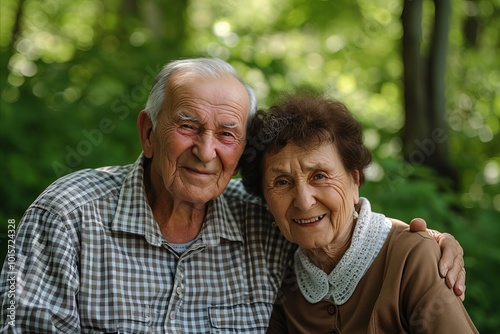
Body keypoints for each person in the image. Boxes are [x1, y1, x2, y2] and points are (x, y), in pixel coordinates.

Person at [0, 58, 465, 333]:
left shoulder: (263, 224)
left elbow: (340, 234)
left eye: (227, 133)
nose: (206, 151)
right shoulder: (66, 216)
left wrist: (424, 246)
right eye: (187, 126)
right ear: (147, 133)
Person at [239, 92, 477, 333]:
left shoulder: (411, 257)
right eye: (282, 182)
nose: (303, 201)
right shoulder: (281, 281)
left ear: (355, 180)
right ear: (265, 199)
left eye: (319, 176)